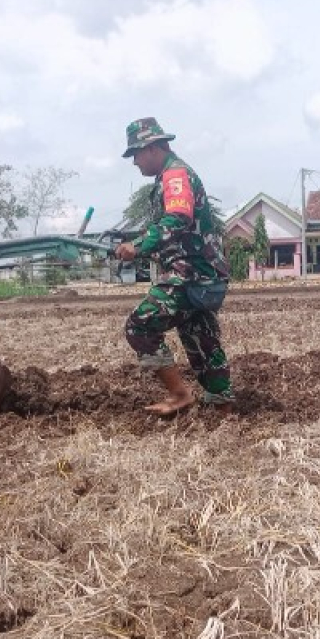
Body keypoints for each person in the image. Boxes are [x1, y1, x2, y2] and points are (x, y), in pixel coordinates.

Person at [114, 117, 235, 415]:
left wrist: (139, 245)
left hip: (190, 274)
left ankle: (180, 395)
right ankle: (221, 403)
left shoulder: (175, 175)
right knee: (199, 336)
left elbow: (178, 218)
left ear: (152, 148)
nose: (134, 162)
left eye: (136, 154)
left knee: (139, 326)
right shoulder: (170, 176)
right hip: (204, 273)